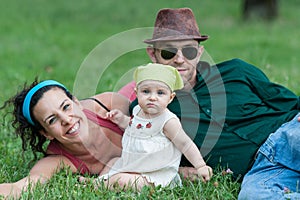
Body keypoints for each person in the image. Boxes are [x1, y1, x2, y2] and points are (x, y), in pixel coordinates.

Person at [118, 7, 300, 195]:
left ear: (199, 52)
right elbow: (145, 156)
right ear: (152, 54)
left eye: (188, 51)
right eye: (168, 52)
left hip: (288, 136)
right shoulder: (147, 109)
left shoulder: (236, 71)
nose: (179, 60)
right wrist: (179, 172)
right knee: (254, 196)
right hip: (262, 169)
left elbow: (290, 101)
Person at [0, 79, 130, 199]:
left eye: (66, 106)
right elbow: (24, 185)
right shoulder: (59, 159)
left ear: (76, 102)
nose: (67, 120)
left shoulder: (108, 105)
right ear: (46, 133)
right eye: (52, 120)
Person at [96, 63, 212, 190]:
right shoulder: (137, 110)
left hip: (154, 174)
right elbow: (135, 127)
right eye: (146, 91)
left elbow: (185, 144)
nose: (152, 97)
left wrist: (200, 165)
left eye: (160, 93)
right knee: (113, 161)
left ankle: (99, 185)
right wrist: (121, 119)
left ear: (170, 98)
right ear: (137, 93)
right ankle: (101, 180)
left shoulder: (168, 121)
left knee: (122, 181)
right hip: (132, 164)